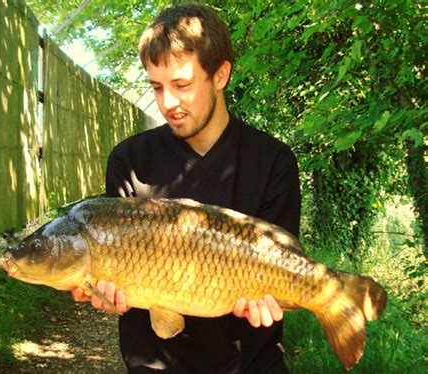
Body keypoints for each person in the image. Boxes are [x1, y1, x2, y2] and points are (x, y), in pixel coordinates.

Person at [72, 3, 301, 373]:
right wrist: (104, 291)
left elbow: (282, 258)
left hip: (251, 363)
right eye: (156, 87)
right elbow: (111, 264)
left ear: (220, 74)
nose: (168, 103)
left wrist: (273, 300)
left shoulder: (273, 161)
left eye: (181, 85)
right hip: (155, 362)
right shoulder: (129, 160)